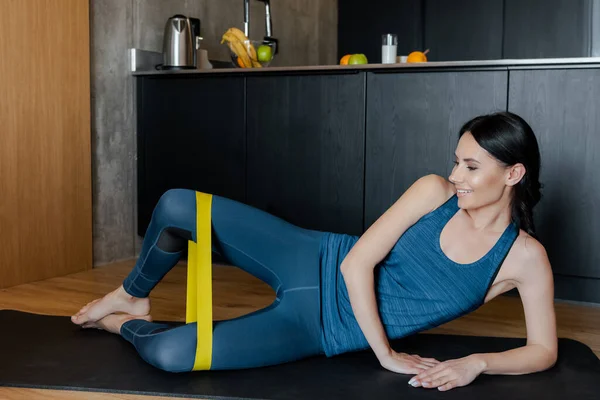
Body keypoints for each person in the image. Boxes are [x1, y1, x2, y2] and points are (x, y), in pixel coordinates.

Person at [71, 111, 557, 391]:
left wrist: (478, 362)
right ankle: (132, 294)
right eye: (456, 162)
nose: (455, 176)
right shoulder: (434, 192)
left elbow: (543, 350)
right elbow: (356, 263)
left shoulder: (523, 259)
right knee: (177, 204)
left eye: (471, 167)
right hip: (313, 257)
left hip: (320, 328)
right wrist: (384, 353)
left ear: (512, 174)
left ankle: (124, 322)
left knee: (171, 353)